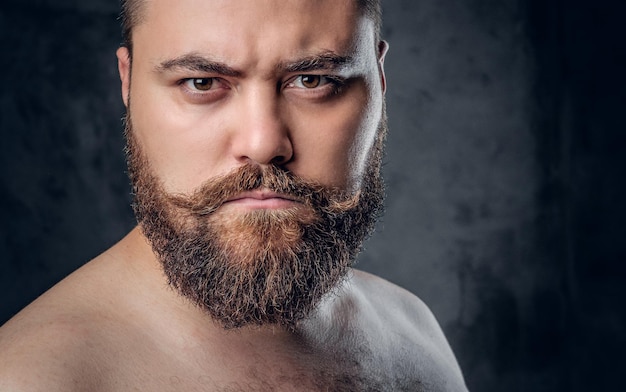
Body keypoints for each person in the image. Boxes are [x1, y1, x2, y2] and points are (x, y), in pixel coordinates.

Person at [0, 0, 468, 390]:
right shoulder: (31, 378)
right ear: (127, 82)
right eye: (201, 83)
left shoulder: (414, 333)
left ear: (380, 82)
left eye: (314, 80)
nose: (264, 143)